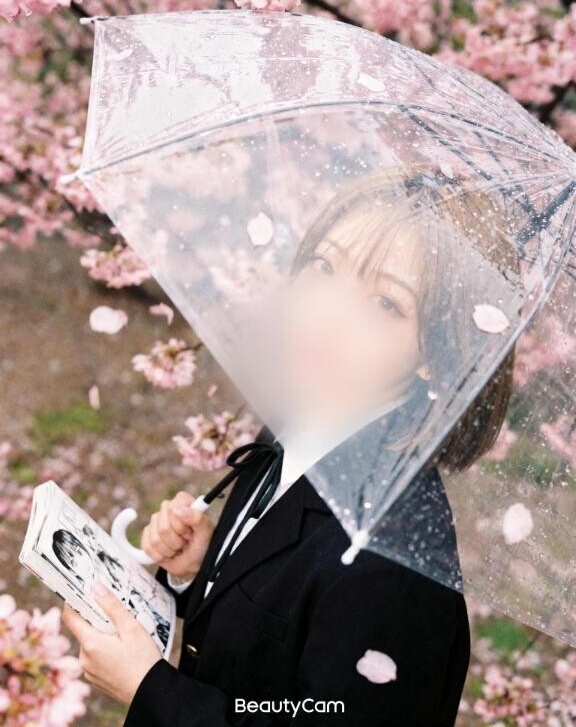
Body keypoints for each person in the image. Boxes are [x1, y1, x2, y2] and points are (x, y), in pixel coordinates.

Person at [62, 164, 517, 726]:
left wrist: (149, 689)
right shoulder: (298, 422)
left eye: (385, 303)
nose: (326, 314)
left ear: (437, 353)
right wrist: (204, 569)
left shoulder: (393, 561)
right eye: (324, 266)